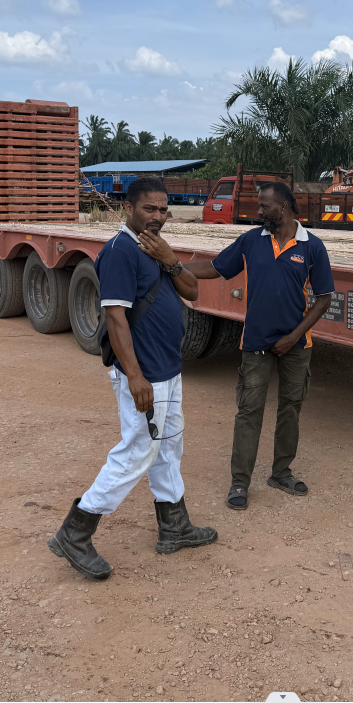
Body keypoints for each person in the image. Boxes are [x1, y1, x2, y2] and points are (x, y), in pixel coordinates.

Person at [48, 177, 217, 580]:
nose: (158, 217)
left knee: (169, 446)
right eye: (149, 209)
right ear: (129, 209)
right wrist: (136, 377)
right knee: (139, 449)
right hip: (147, 376)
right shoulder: (121, 251)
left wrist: (170, 258)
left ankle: (174, 526)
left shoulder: (154, 249)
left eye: (164, 209)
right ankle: (77, 529)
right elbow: (115, 318)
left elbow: (192, 291)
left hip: (169, 370)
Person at [185, 181, 335, 510]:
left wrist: (293, 337)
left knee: (290, 409)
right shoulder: (252, 240)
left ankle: (281, 473)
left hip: (297, 345)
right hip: (255, 342)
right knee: (249, 412)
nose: (259, 211)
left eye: (264, 206)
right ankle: (240, 482)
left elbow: (324, 299)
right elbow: (215, 268)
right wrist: (174, 268)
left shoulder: (312, 246)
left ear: (282, 208)